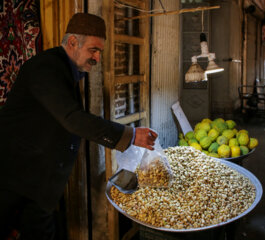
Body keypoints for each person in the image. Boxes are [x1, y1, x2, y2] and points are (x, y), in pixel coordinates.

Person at [0, 13, 158, 239]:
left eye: (99, 52)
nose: (97, 58)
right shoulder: (46, 68)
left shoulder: (64, 70)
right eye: (93, 50)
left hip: (35, 184)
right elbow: (73, 118)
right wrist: (130, 135)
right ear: (73, 42)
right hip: (13, 178)